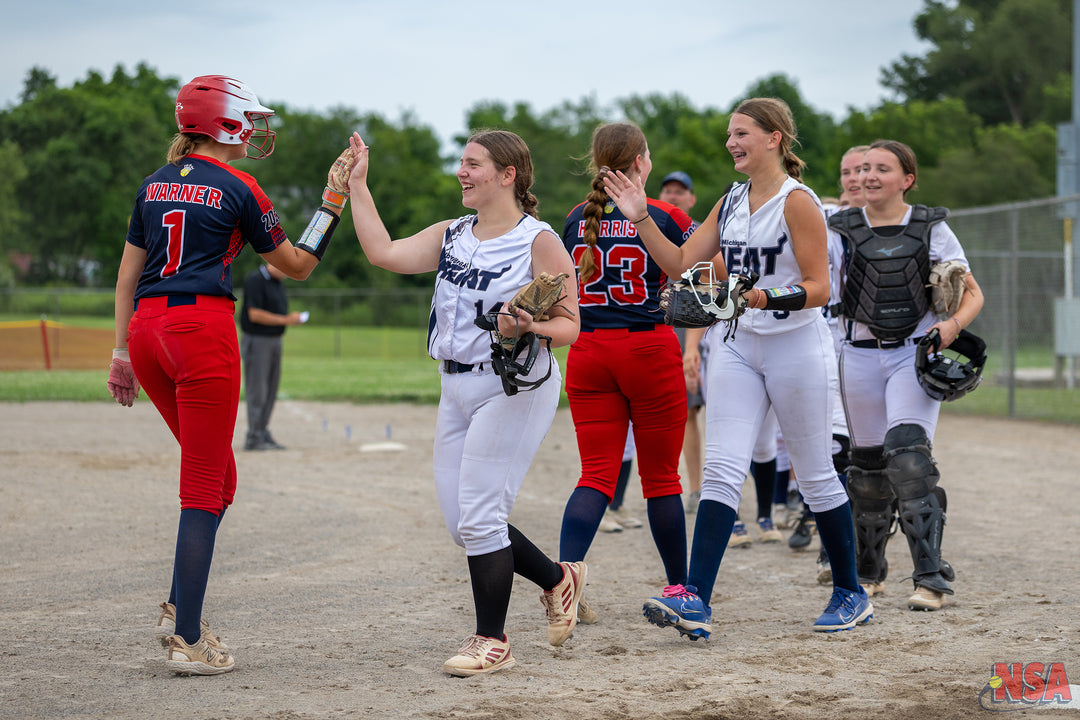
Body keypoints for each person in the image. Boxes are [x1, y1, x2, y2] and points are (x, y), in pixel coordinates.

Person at [107, 75, 350, 675]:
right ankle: (187, 636)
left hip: (146, 334)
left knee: (219, 483)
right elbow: (295, 266)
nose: (257, 128)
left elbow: (127, 276)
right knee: (203, 490)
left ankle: (178, 608)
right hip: (200, 336)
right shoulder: (239, 185)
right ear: (225, 123)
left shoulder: (153, 184)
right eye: (250, 118)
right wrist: (332, 204)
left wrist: (118, 353)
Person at [603, 97, 872, 639]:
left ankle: (851, 591)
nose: (731, 141)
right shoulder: (731, 201)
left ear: (775, 138)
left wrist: (767, 296)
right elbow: (681, 263)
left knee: (817, 473)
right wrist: (640, 219)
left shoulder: (798, 202)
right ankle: (696, 599)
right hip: (737, 344)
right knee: (722, 471)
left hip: (796, 344)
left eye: (742, 132)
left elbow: (820, 287)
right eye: (730, 133)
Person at [346, 129, 585, 676]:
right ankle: (557, 579)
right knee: (465, 525)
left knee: (480, 519)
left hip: (513, 386)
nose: (462, 171)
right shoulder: (453, 233)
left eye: (474, 163)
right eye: (462, 161)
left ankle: (491, 639)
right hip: (454, 385)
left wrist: (528, 322)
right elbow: (384, 253)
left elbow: (570, 326)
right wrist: (359, 186)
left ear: (508, 175)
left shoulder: (538, 240)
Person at [829, 139, 984, 611]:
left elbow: (972, 292)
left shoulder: (931, 227)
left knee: (909, 456)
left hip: (911, 353)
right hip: (856, 353)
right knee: (869, 468)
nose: (868, 176)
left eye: (882, 168)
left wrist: (951, 327)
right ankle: (870, 571)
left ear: (907, 179)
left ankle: (931, 578)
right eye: (863, 168)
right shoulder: (840, 228)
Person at [558, 122, 693, 624]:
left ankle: (562, 582)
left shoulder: (576, 217)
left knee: (595, 474)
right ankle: (679, 586)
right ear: (640, 162)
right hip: (647, 349)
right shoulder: (666, 213)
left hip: (588, 351)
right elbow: (707, 269)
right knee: (661, 479)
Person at [658, 171, 705, 514]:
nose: (673, 196)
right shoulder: (646, 227)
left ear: (691, 199)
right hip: (658, 326)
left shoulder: (699, 232)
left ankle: (702, 486)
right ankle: (685, 486)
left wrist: (693, 347)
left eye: (680, 191)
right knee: (675, 414)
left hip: (697, 328)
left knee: (697, 412)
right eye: (668, 190)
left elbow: (706, 290)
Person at [240, 263, 306, 451]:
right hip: (258, 340)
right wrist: (286, 320)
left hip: (275, 339)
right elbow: (254, 314)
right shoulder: (256, 280)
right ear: (274, 263)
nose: (287, 274)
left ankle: (262, 431)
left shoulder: (277, 282)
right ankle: (253, 437)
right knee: (258, 390)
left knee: (270, 390)